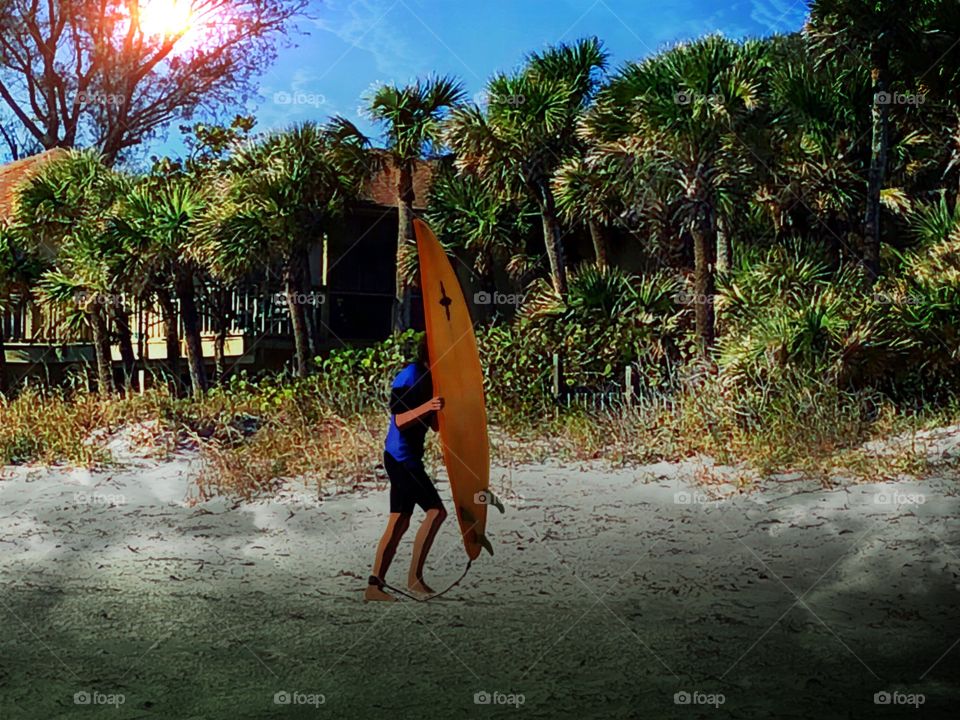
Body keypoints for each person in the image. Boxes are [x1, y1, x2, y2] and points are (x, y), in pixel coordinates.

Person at [366, 337, 447, 601]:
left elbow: (433, 426)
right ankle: (414, 580)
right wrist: (429, 406)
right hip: (401, 458)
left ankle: (374, 587)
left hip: (408, 457)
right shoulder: (410, 375)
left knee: (399, 520)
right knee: (436, 512)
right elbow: (399, 420)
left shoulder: (431, 378)